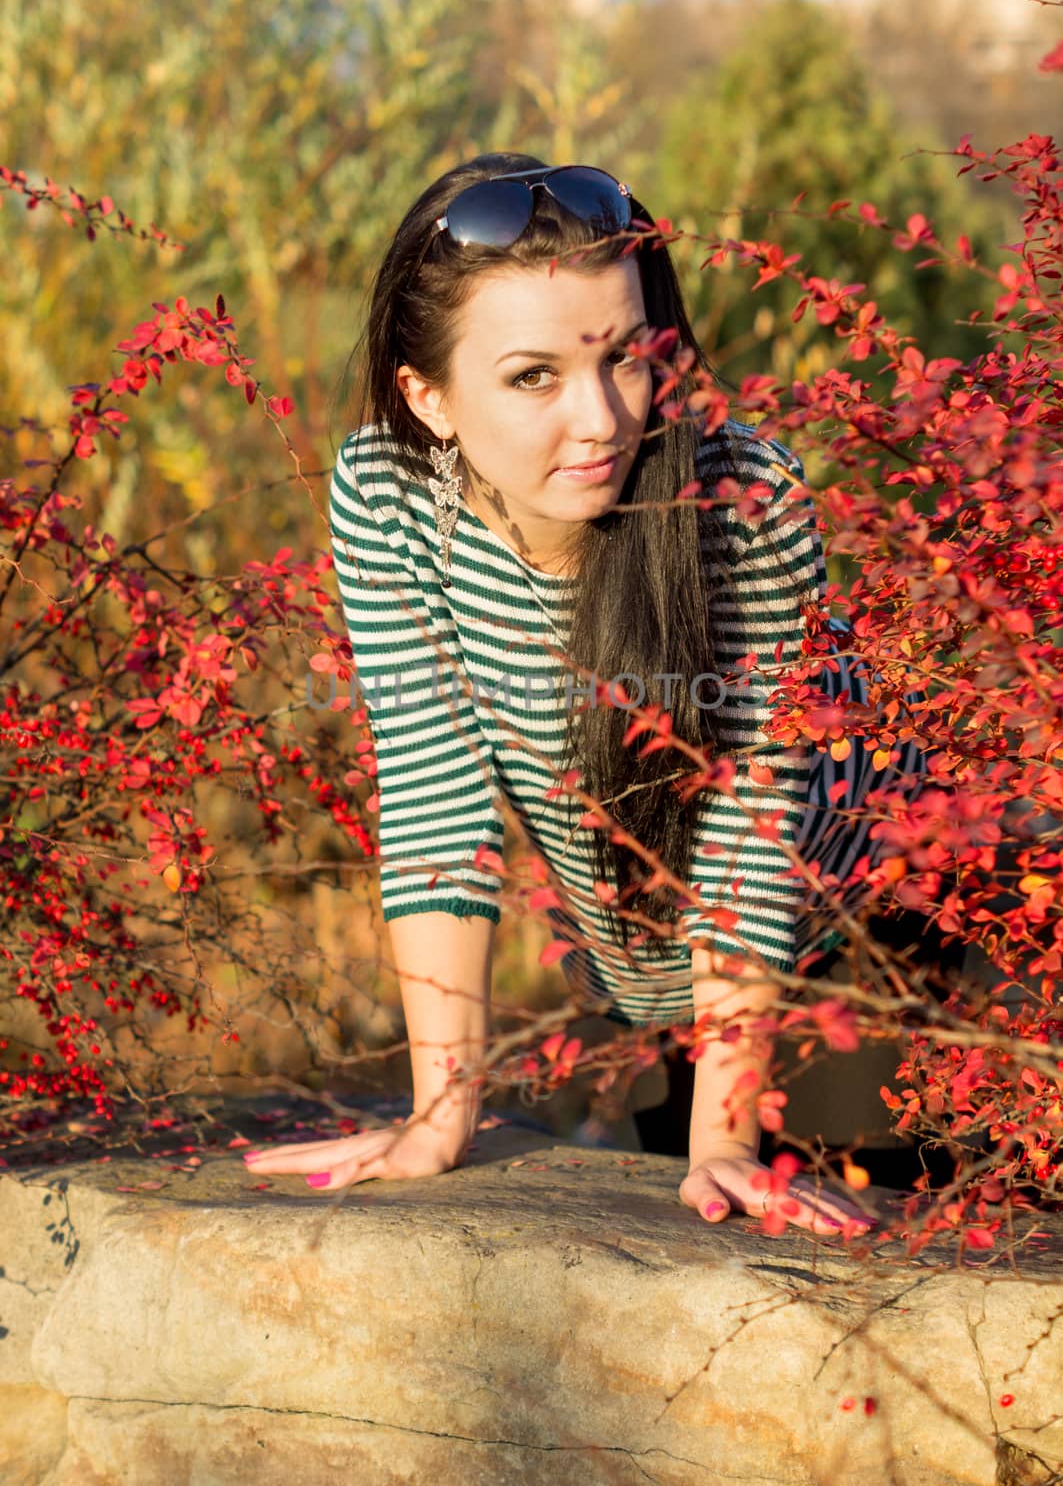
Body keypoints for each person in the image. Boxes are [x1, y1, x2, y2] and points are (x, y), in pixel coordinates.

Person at [243, 152, 949, 1235]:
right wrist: (442, 1113)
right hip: (662, 982)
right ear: (426, 397)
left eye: (627, 357)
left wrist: (726, 1132)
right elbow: (435, 790)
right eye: (533, 375)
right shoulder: (387, 496)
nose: (603, 418)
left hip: (895, 942)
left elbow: (752, 824)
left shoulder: (741, 501)